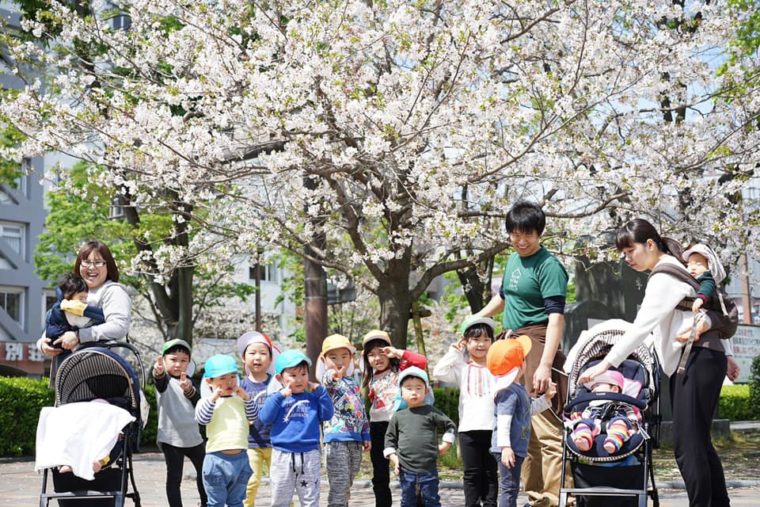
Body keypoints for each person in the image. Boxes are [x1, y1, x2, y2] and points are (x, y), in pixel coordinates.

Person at [578, 218, 739, 507]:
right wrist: (725, 354)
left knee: (687, 447)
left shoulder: (664, 276)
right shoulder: (675, 270)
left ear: (650, 245)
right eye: (623, 254)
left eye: (630, 251)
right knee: (699, 443)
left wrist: (605, 364)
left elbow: (641, 327)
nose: (627, 259)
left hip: (696, 359)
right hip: (702, 357)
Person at [472, 200, 569, 507]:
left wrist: (544, 364)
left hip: (537, 341)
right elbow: (502, 298)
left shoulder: (549, 266)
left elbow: (556, 318)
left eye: (528, 234)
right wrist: (474, 321)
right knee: (516, 425)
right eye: (515, 234)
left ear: (539, 233)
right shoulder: (513, 259)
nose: (521, 240)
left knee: (542, 425)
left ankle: (551, 499)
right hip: (511, 342)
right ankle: (531, 495)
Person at [38, 241, 132, 379]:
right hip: (68, 377)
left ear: (108, 265)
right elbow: (56, 322)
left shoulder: (113, 291)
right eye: (86, 262)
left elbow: (119, 326)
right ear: (79, 264)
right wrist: (42, 345)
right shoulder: (70, 290)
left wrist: (78, 336)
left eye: (98, 262)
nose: (92, 267)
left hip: (101, 374)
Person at [433, 316, 497, 507]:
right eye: (476, 340)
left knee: (490, 473)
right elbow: (439, 372)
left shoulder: (496, 367)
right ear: (466, 342)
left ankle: (491, 504)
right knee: (471, 473)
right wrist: (454, 351)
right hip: (468, 428)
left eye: (486, 340)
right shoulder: (462, 367)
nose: (481, 344)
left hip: (493, 428)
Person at [259, 350, 334, 507]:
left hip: (309, 454)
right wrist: (280, 396)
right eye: (293, 375)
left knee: (310, 500)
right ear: (280, 378)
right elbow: (265, 417)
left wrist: (320, 391)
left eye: (303, 374)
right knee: (280, 499)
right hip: (282, 455)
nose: (299, 379)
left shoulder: (313, 398)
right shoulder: (277, 398)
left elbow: (327, 414)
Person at [361, 330, 428, 507]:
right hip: (377, 427)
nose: (377, 358)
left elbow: (421, 361)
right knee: (380, 474)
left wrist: (397, 352)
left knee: (408, 470)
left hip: (400, 426)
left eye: (381, 352)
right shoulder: (369, 377)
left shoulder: (401, 370)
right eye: (371, 354)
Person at [487, 336, 555, 507]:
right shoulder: (508, 392)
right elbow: (503, 421)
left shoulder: (517, 389)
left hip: (515, 447)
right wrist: (505, 448)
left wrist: (546, 399)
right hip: (508, 448)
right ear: (520, 365)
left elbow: (528, 411)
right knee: (509, 488)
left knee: (512, 487)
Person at [383, 367, 456, 507]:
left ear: (426, 391)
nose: (414, 392)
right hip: (406, 470)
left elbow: (450, 425)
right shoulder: (398, 416)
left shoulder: (431, 412)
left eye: (418, 388)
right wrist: (395, 459)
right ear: (401, 392)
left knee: (431, 501)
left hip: (428, 469)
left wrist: (446, 444)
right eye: (409, 388)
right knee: (408, 502)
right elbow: (389, 440)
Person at [195, 355, 257, 507]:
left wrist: (247, 398)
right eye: (222, 378)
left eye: (233, 377)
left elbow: (254, 416)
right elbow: (202, 419)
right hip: (216, 459)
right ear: (209, 381)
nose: (229, 382)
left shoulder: (240, 400)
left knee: (236, 502)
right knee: (216, 502)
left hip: (241, 458)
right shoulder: (206, 402)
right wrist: (213, 398)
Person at [318, 334, 371, 507]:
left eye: (344, 356)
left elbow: (360, 410)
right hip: (336, 440)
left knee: (347, 484)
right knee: (339, 485)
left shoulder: (353, 382)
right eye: (333, 357)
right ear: (323, 359)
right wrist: (333, 375)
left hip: (355, 440)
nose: (339, 361)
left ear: (351, 358)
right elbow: (327, 380)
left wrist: (366, 434)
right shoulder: (327, 382)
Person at [153, 338, 206, 507]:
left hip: (193, 437)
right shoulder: (165, 381)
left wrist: (188, 389)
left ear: (189, 363)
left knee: (204, 472)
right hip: (172, 438)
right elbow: (159, 380)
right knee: (174, 478)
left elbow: (198, 402)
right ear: (164, 360)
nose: (178, 364)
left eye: (183, 361)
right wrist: (159, 372)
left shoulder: (190, 381)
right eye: (173, 360)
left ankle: (206, 503)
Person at [237, 331, 279, 507]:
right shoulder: (240, 385)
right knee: (250, 483)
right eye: (252, 353)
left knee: (280, 484)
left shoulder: (276, 383)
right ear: (243, 358)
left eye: (263, 353)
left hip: (276, 441)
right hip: (251, 442)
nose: (257, 357)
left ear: (270, 359)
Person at [569, 370, 639, 454]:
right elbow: (586, 415)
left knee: (620, 422)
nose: (593, 390)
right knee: (583, 423)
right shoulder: (592, 405)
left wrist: (633, 419)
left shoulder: (622, 403)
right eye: (592, 388)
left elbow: (630, 413)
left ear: (614, 389)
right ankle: (583, 439)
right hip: (595, 423)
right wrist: (580, 418)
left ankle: (614, 441)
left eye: (597, 386)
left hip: (615, 421)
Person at [45, 273, 105, 347]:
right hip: (60, 343)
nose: (85, 301)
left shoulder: (61, 305)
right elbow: (82, 323)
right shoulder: (68, 308)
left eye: (85, 298)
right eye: (81, 298)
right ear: (68, 295)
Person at [682, 243, 727, 314]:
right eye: (689, 264)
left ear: (709, 266)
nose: (693, 268)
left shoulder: (706, 277)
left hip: (704, 309)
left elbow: (707, 286)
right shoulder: (687, 276)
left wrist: (700, 298)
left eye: (698, 264)